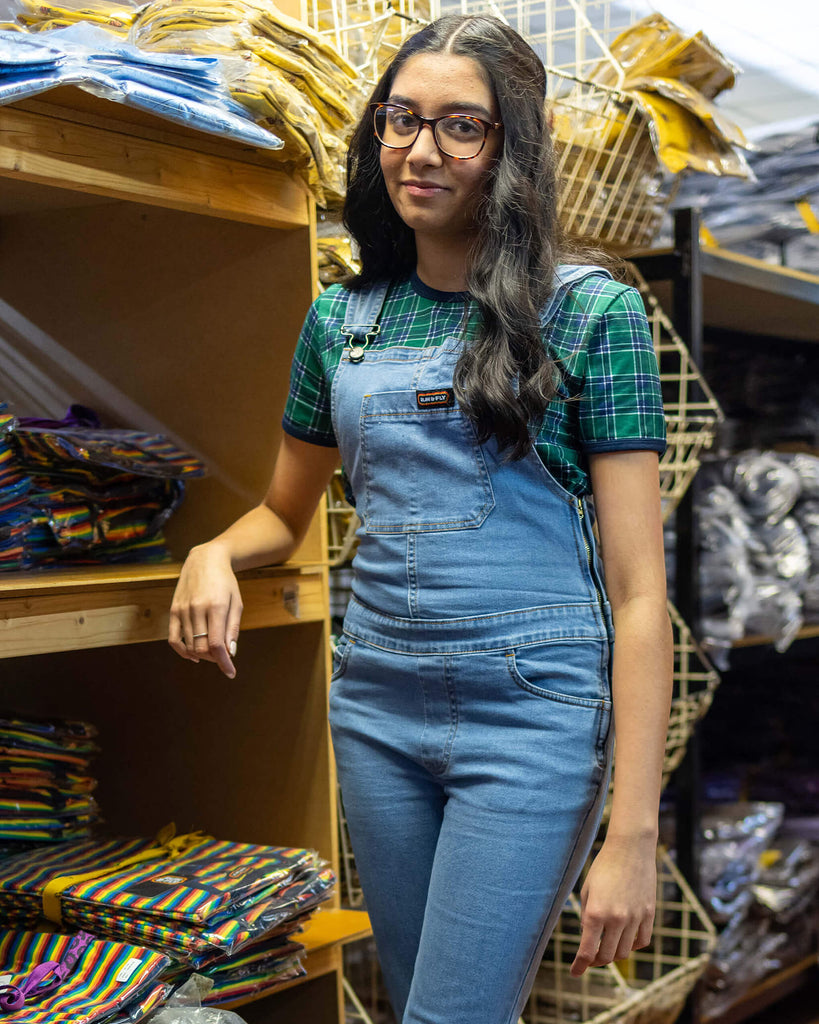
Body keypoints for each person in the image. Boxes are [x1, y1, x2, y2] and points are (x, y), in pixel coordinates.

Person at [169, 13, 673, 1024]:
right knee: (421, 1008)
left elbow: (641, 591)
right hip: (378, 710)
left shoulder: (591, 314)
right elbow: (284, 509)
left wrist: (633, 832)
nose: (421, 149)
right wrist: (213, 551)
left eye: (461, 126)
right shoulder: (339, 321)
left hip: (534, 711)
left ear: (512, 149)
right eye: (402, 119)